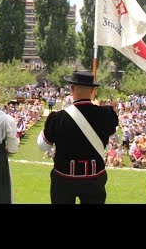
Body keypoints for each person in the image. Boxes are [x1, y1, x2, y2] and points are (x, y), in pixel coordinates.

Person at [37, 71, 118, 204]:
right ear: (92, 91)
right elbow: (111, 133)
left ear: (72, 89)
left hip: (64, 178)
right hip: (94, 177)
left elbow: (43, 145)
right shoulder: (106, 114)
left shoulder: (58, 118)